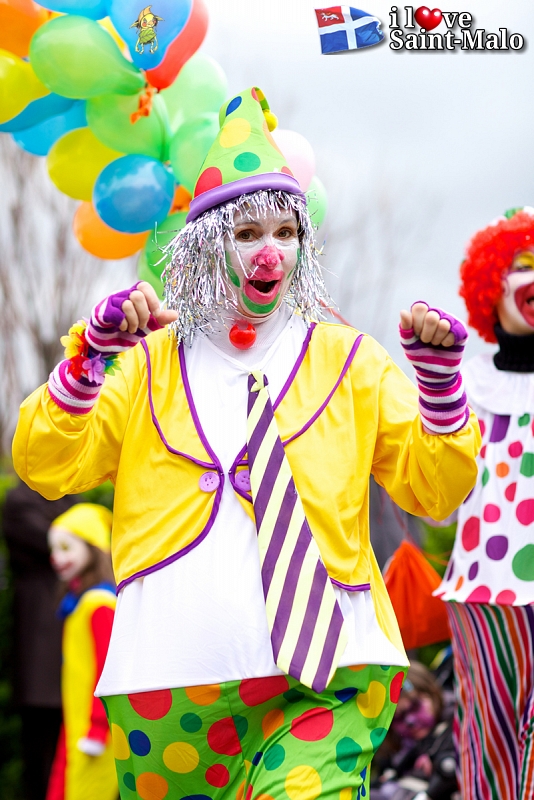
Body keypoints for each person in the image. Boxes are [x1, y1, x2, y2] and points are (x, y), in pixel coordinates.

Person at [13, 87, 480, 800]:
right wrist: (88, 365)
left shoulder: (350, 360)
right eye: (248, 232)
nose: (270, 252)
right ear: (205, 242)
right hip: (169, 684)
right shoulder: (147, 363)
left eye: (286, 233)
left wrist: (441, 387)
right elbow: (45, 465)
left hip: (330, 675)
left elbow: (437, 489)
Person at [435, 207, 534, 800]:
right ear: (489, 286)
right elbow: (438, 496)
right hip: (484, 587)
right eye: (522, 265)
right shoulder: (465, 385)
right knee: (490, 740)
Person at [2, 482, 79, 800]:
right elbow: (62, 541)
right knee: (41, 741)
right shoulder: (20, 499)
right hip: (39, 634)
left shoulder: (72, 495)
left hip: (75, 628)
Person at [44, 503, 117, 800]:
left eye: (65, 547)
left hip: (94, 733)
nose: (56, 557)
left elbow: (107, 669)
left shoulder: (99, 604)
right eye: (53, 549)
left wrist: (97, 728)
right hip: (76, 725)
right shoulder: (80, 602)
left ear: (93, 548)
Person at [371, 661, 457, 800]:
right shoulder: (397, 756)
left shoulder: (458, 725)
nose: (409, 721)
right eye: (398, 718)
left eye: (414, 707)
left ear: (431, 693)